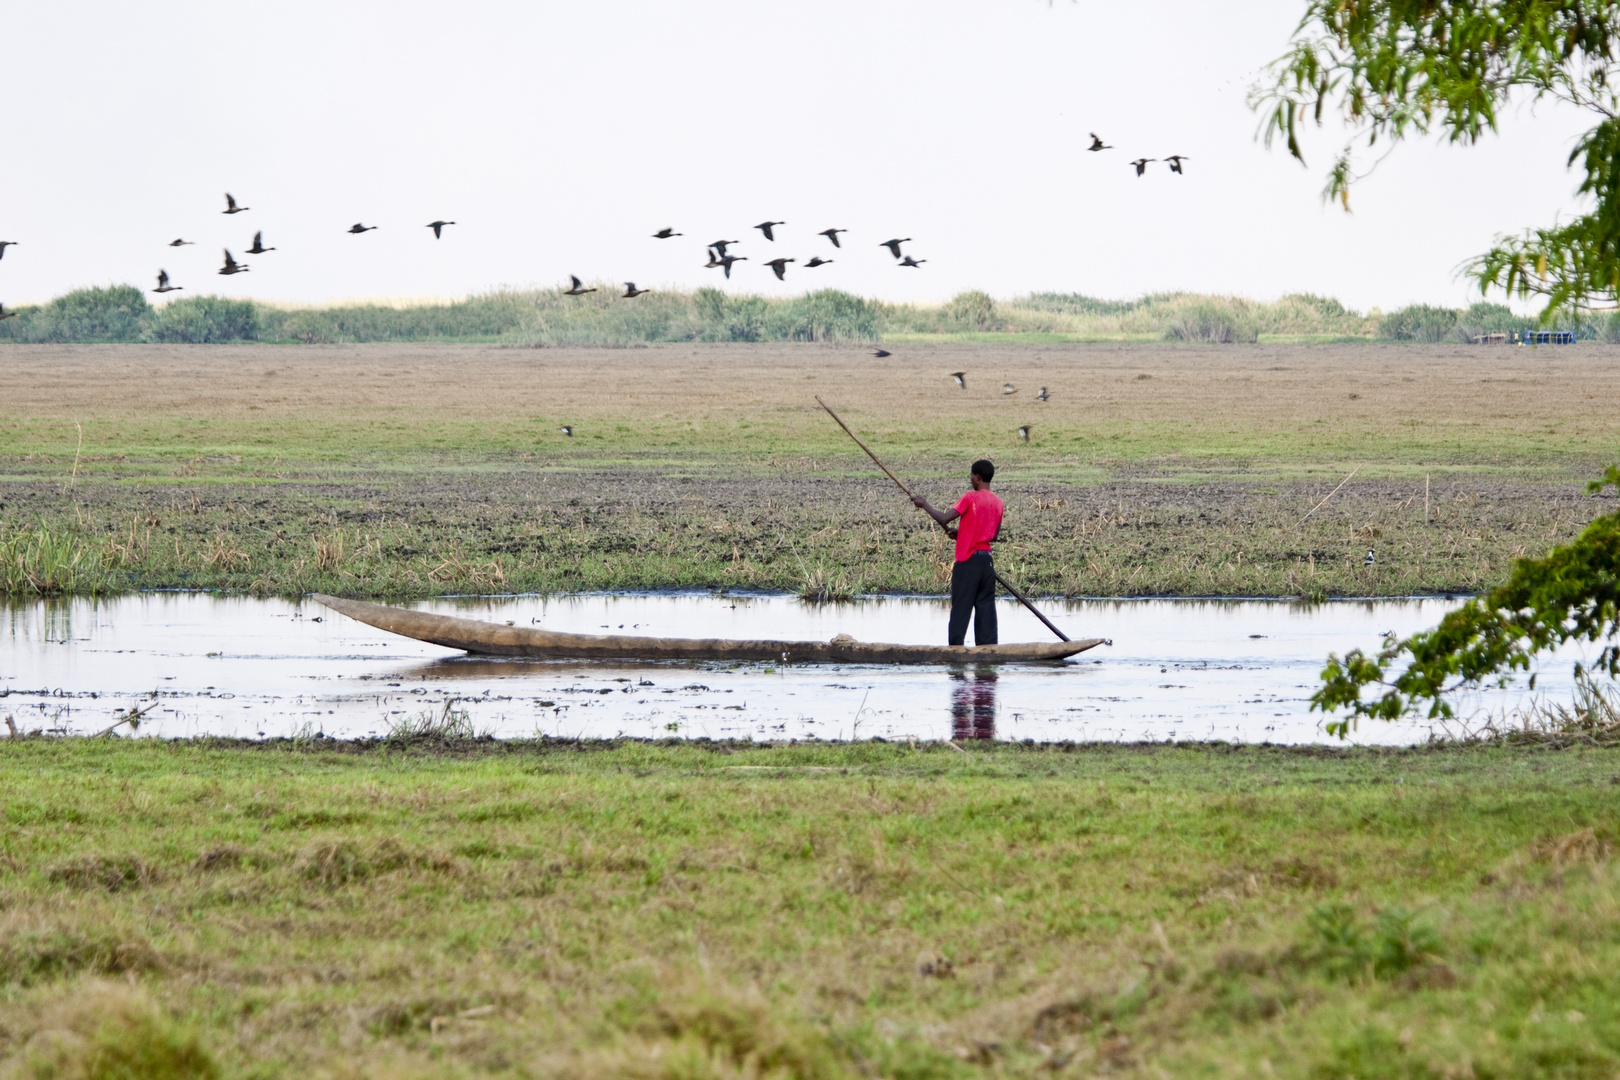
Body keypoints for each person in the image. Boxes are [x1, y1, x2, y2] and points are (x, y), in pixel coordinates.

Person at [912, 459, 1004, 646]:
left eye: (971, 476)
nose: (970, 479)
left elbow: (944, 517)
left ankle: (955, 654)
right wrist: (962, 534)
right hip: (987, 565)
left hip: (968, 562)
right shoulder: (998, 502)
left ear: (978, 478)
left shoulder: (970, 497)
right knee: (986, 611)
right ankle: (988, 655)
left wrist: (924, 504)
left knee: (961, 610)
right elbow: (992, 536)